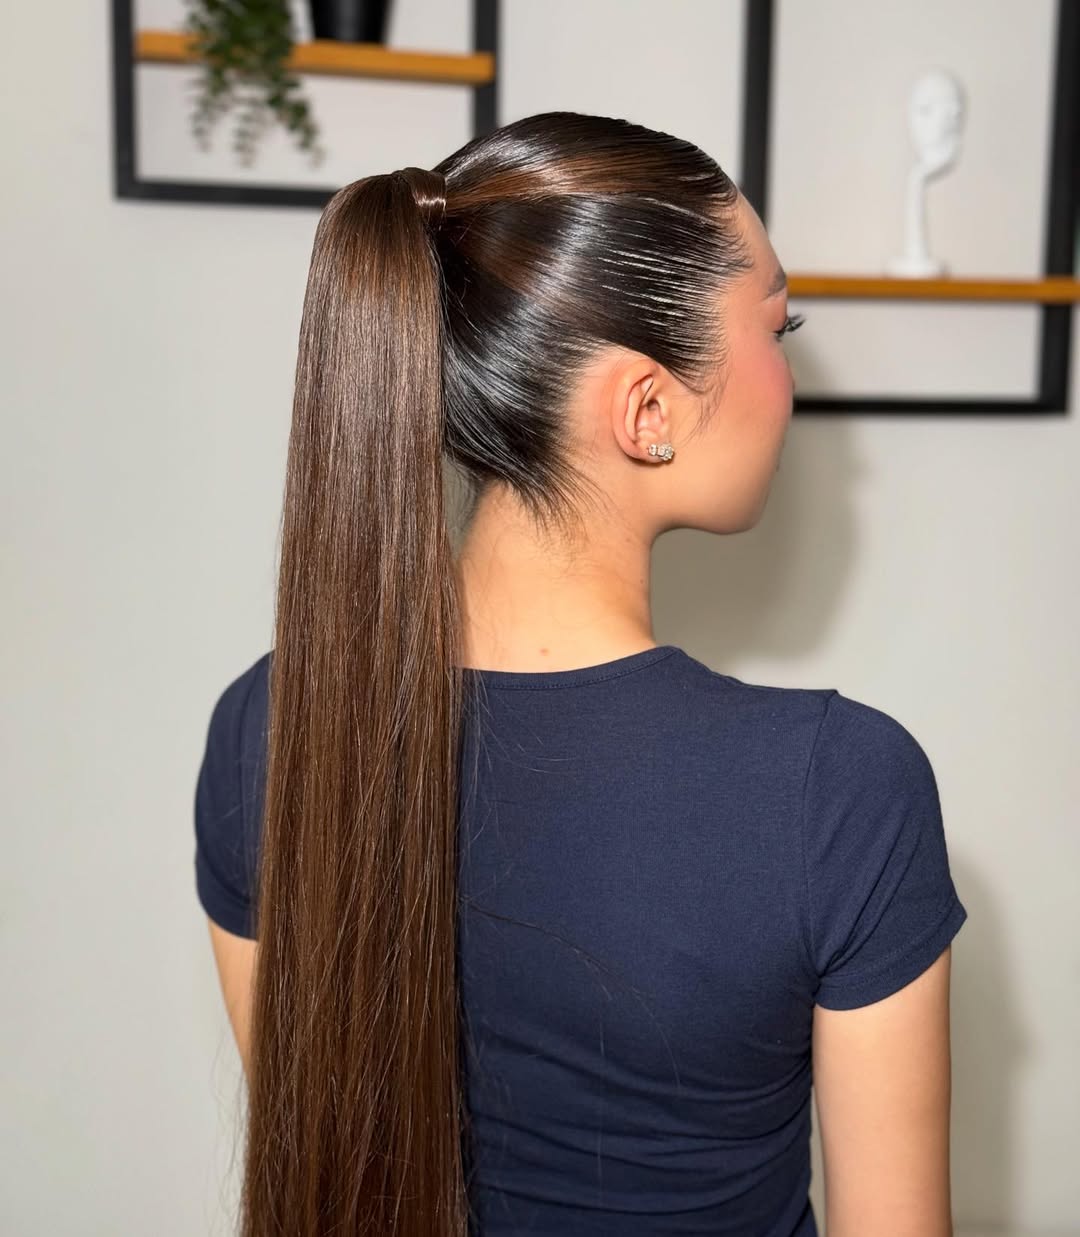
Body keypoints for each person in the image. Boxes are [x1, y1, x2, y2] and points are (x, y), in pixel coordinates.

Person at [193, 110, 967, 1237]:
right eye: (779, 324)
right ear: (648, 410)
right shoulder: (838, 789)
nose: (790, 375)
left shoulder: (271, 726)